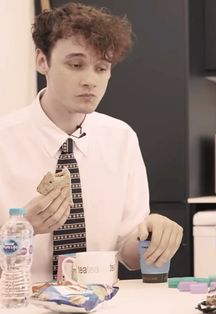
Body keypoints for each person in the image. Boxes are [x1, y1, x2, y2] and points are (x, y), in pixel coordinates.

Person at [0, 2, 183, 282]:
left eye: (101, 68)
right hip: (19, 302)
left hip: (102, 301)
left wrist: (154, 237)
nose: (90, 81)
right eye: (75, 65)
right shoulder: (5, 139)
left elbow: (129, 254)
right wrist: (22, 230)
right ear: (41, 61)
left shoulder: (121, 139)